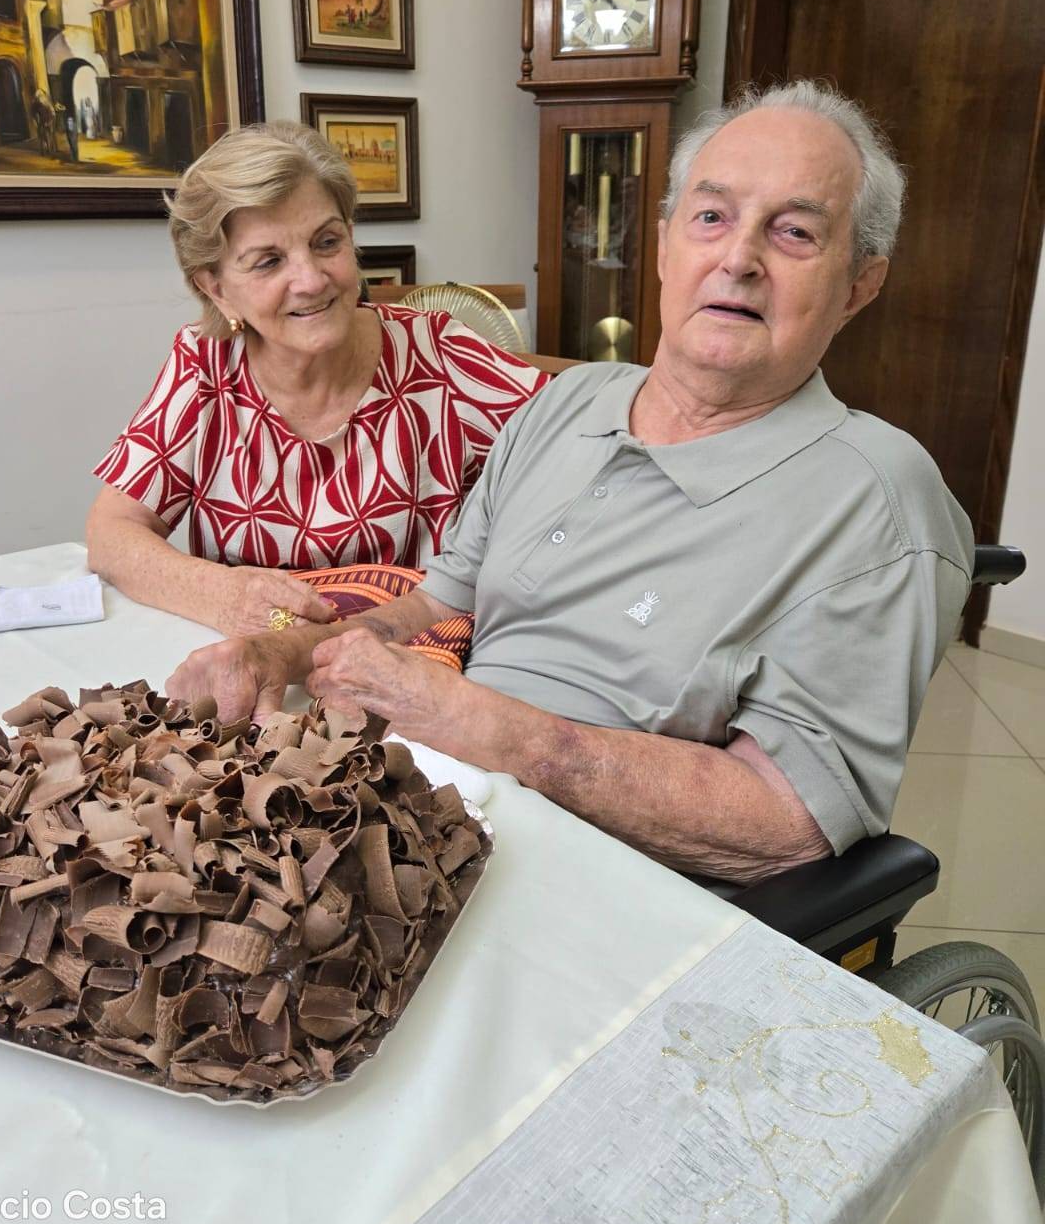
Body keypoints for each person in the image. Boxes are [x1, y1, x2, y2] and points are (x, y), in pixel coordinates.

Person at [165, 82, 974, 886]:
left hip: (597, 892)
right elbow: (438, 605)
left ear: (860, 285)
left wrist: (488, 730)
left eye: (794, 232)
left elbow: (787, 820)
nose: (738, 259)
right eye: (711, 217)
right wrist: (286, 651)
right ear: (664, 246)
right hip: (429, 822)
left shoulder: (880, 501)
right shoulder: (570, 403)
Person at [87, 121, 546, 639]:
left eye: (327, 242)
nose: (310, 280)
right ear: (217, 289)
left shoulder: (439, 355)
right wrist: (222, 594)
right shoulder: (205, 365)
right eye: (269, 261)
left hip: (409, 666)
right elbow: (112, 531)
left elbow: (589, 445)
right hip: (260, 670)